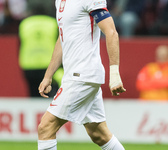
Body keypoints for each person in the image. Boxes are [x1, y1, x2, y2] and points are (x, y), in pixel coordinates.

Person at [38, 0, 126, 150]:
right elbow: (63, 37)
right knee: (99, 134)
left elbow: (111, 31)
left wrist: (114, 73)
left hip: (82, 75)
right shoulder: (59, 1)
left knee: (46, 127)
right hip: (76, 75)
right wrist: (48, 75)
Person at [19, 2, 63, 97]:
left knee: (33, 93)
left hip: (28, 65)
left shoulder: (24, 23)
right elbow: (60, 43)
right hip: (47, 65)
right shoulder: (52, 23)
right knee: (48, 93)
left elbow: (20, 44)